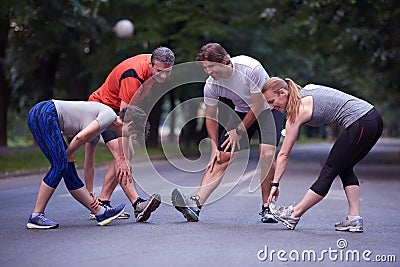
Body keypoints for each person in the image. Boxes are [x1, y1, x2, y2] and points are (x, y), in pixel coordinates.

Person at [171, 43, 284, 222]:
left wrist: (238, 131)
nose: (208, 71)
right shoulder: (211, 85)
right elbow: (210, 115)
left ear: (224, 61)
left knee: (267, 154)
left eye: (210, 66)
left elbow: (259, 104)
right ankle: (195, 205)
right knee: (221, 157)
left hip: (268, 109)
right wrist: (215, 147)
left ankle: (267, 207)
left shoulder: (249, 69)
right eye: (205, 68)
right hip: (241, 111)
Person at [263, 77, 383, 232]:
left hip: (360, 121)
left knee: (329, 169)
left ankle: (294, 214)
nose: (272, 107)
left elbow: (284, 154)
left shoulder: (298, 110)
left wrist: (275, 184)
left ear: (283, 92)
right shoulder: (306, 90)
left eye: (272, 101)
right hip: (373, 119)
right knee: (344, 167)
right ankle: (354, 218)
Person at [85, 46, 175, 221]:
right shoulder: (133, 76)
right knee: (123, 155)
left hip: (114, 111)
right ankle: (137, 204)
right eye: (159, 71)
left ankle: (102, 203)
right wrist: (123, 159)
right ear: (151, 64)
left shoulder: (155, 62)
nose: (163, 76)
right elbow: (124, 120)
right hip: (103, 109)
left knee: (127, 154)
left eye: (167, 72)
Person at [26, 100, 145, 229]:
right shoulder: (108, 116)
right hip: (45, 113)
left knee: (69, 171)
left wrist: (90, 192)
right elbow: (79, 138)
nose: (127, 138)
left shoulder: (99, 129)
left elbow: (89, 164)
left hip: (45, 115)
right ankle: (36, 215)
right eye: (131, 134)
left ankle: (100, 212)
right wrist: (69, 153)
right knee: (60, 165)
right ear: (131, 124)